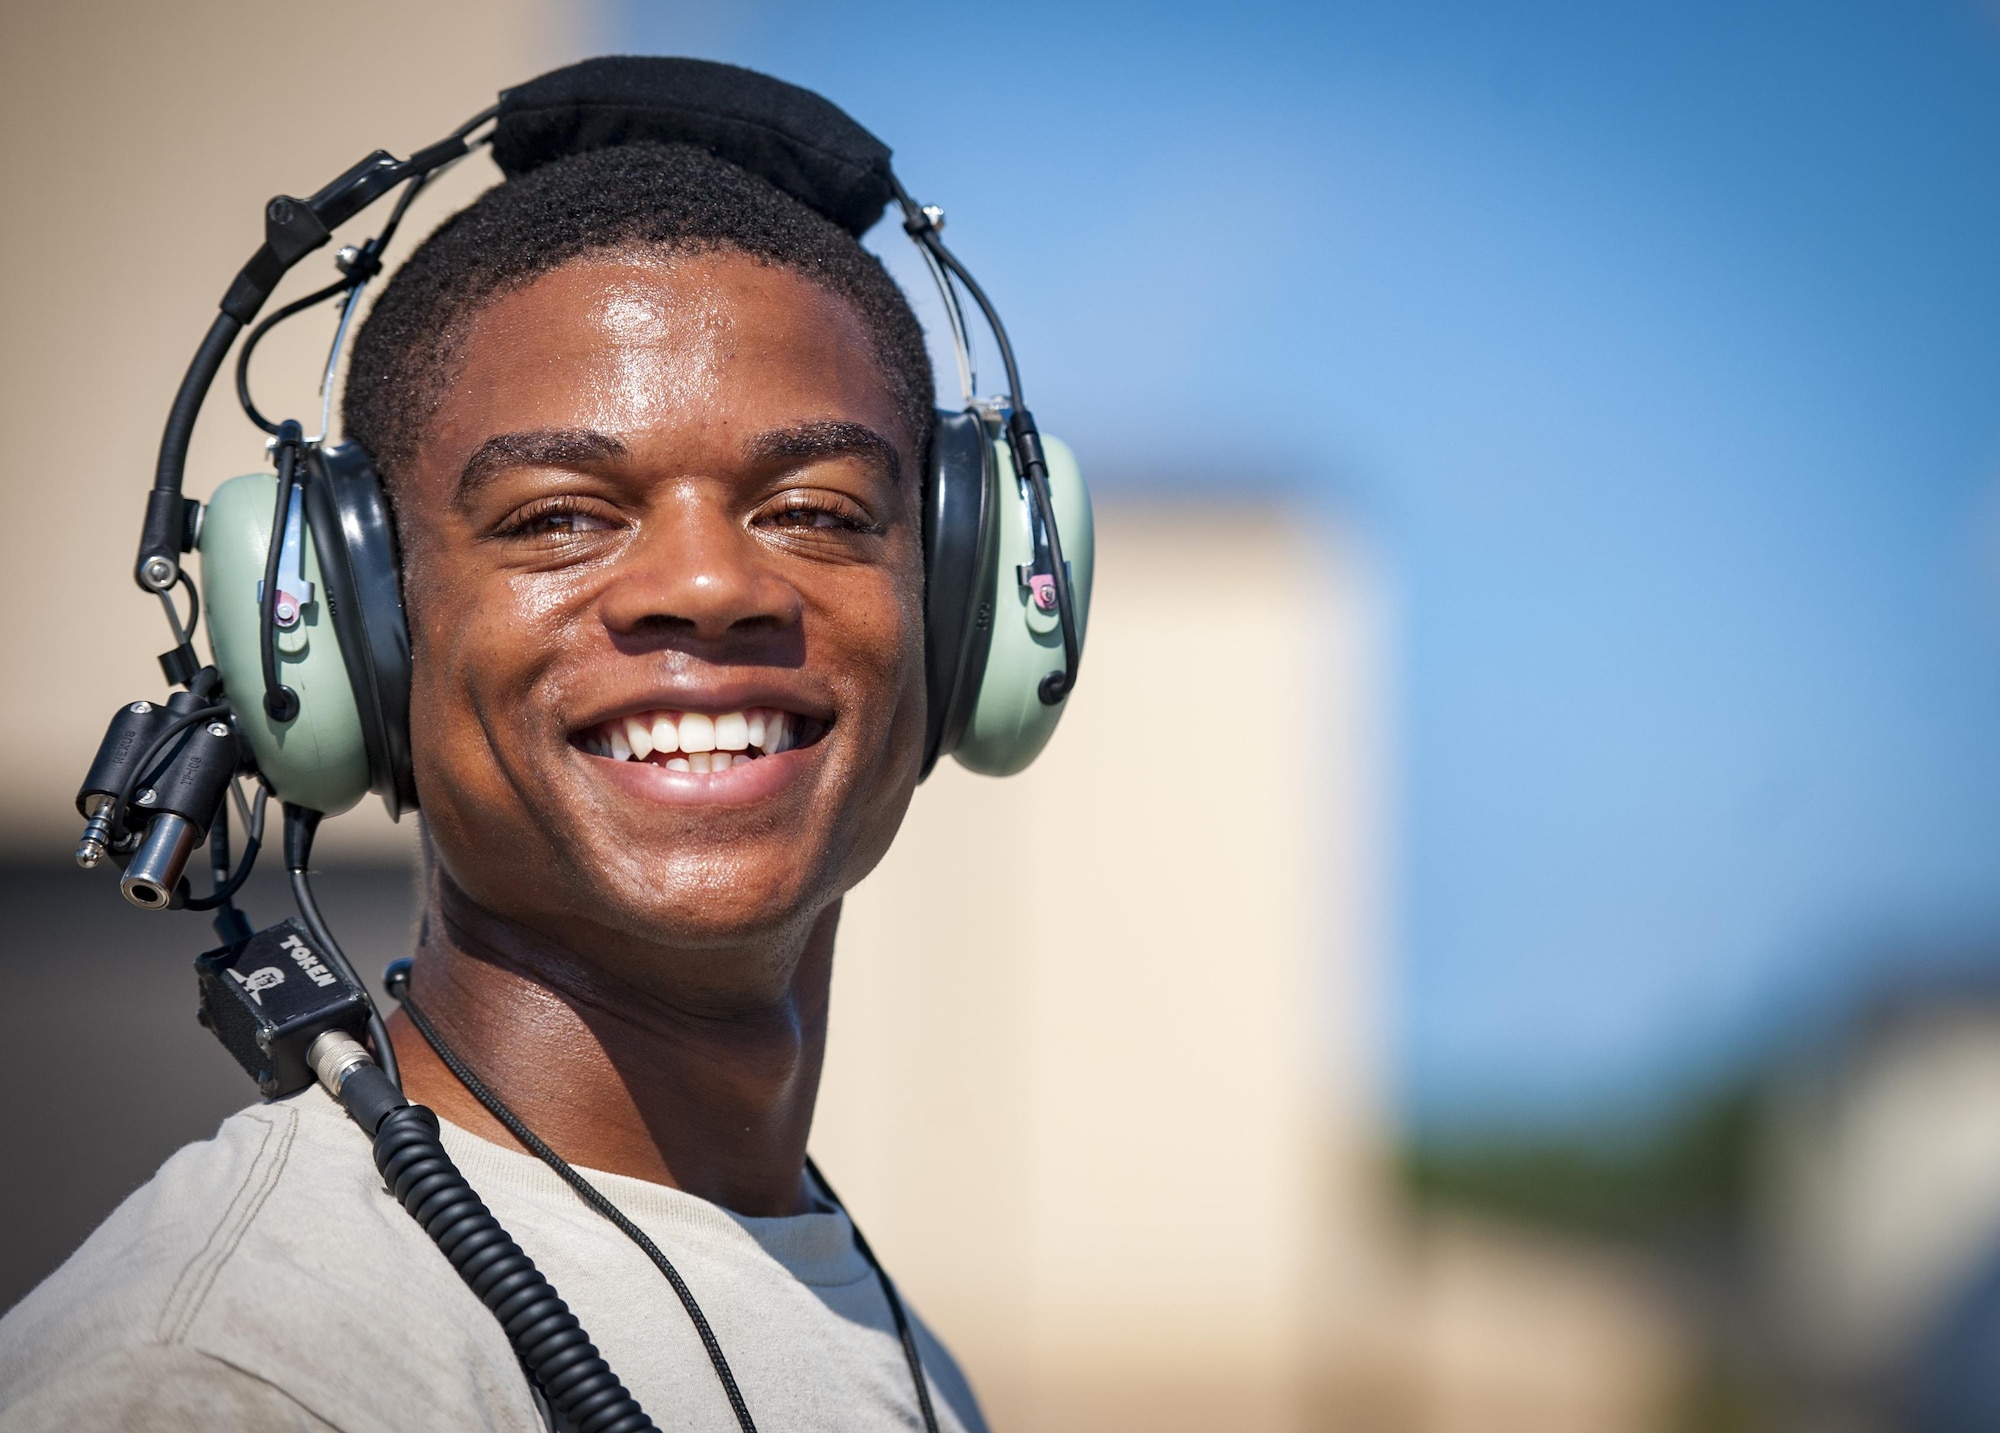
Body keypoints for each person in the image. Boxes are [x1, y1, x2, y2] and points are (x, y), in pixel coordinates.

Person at [0, 134, 990, 1432]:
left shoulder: (892, 1344)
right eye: (558, 515)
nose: (708, 585)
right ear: (355, 632)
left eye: (816, 507)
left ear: (964, 612)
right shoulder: (224, 1372)